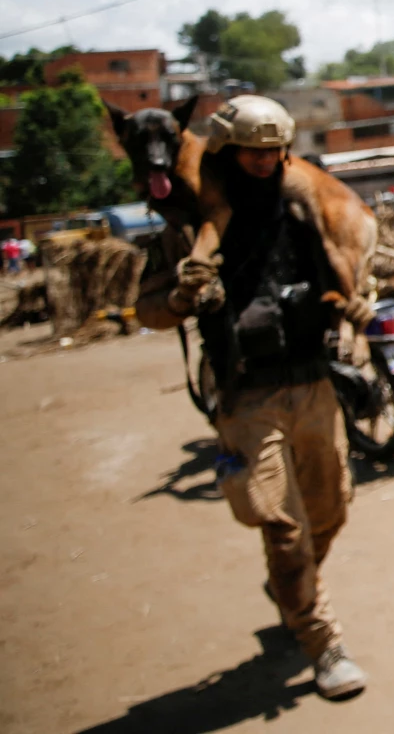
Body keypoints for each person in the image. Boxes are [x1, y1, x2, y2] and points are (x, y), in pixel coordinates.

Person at [134, 95, 374, 700]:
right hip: (246, 396)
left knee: (331, 509)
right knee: (284, 526)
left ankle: (292, 589)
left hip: (313, 384)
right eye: (252, 151)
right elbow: (148, 308)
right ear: (225, 152)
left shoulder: (300, 212)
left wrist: (352, 305)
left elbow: (334, 281)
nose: (265, 162)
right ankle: (323, 642)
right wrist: (182, 298)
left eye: (273, 151)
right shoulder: (187, 231)